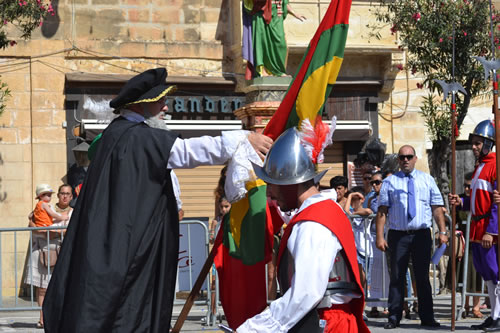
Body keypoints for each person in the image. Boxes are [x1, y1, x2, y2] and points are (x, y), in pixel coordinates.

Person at [42, 68, 272, 333]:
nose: (165, 106)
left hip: (120, 245)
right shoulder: (135, 137)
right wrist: (244, 139)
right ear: (143, 104)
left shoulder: (120, 134)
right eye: (160, 100)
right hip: (123, 252)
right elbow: (188, 152)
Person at [237, 127, 369, 333]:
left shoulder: (313, 224)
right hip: (325, 319)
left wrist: (253, 329)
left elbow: (306, 292)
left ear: (291, 183)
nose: (270, 193)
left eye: (272, 184)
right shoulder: (324, 210)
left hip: (325, 323)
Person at [376, 145, 447, 329]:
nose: (405, 160)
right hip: (398, 235)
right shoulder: (390, 183)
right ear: (398, 160)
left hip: (421, 235)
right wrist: (379, 236)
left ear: (415, 158)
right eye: (402, 157)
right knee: (397, 277)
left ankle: (427, 317)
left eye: (409, 156)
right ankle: (394, 316)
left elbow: (437, 207)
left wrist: (443, 231)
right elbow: (382, 211)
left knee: (422, 277)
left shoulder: (427, 180)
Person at [450, 119, 499, 331]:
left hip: (489, 228)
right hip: (478, 228)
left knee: (496, 274)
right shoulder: (480, 167)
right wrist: (461, 201)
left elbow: (497, 204)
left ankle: (499, 316)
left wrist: (492, 231)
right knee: (486, 273)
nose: (474, 146)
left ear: (488, 144)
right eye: (474, 143)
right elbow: (477, 201)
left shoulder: (496, 165)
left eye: (478, 143)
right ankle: (494, 315)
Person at [26, 184, 73, 329]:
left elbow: (68, 232)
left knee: (64, 287)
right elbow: (31, 226)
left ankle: (61, 318)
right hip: (44, 253)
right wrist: (49, 231)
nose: (64, 196)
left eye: (68, 194)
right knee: (42, 288)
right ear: (58, 195)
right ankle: (42, 319)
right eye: (62, 193)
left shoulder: (73, 212)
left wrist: (49, 232)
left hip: (63, 253)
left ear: (71, 197)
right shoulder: (47, 207)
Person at [242, 0, 306, 79]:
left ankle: (279, 71)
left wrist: (295, 13)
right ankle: (263, 71)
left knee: (281, 44)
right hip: (261, 14)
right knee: (262, 43)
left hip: (277, 16)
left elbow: (284, 3)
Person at [366, 171, 390, 318]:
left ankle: (387, 304)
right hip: (374, 237)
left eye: (377, 182)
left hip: (388, 236)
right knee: (374, 273)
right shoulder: (371, 199)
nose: (374, 185)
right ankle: (374, 305)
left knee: (387, 272)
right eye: (372, 183)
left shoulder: (390, 197)